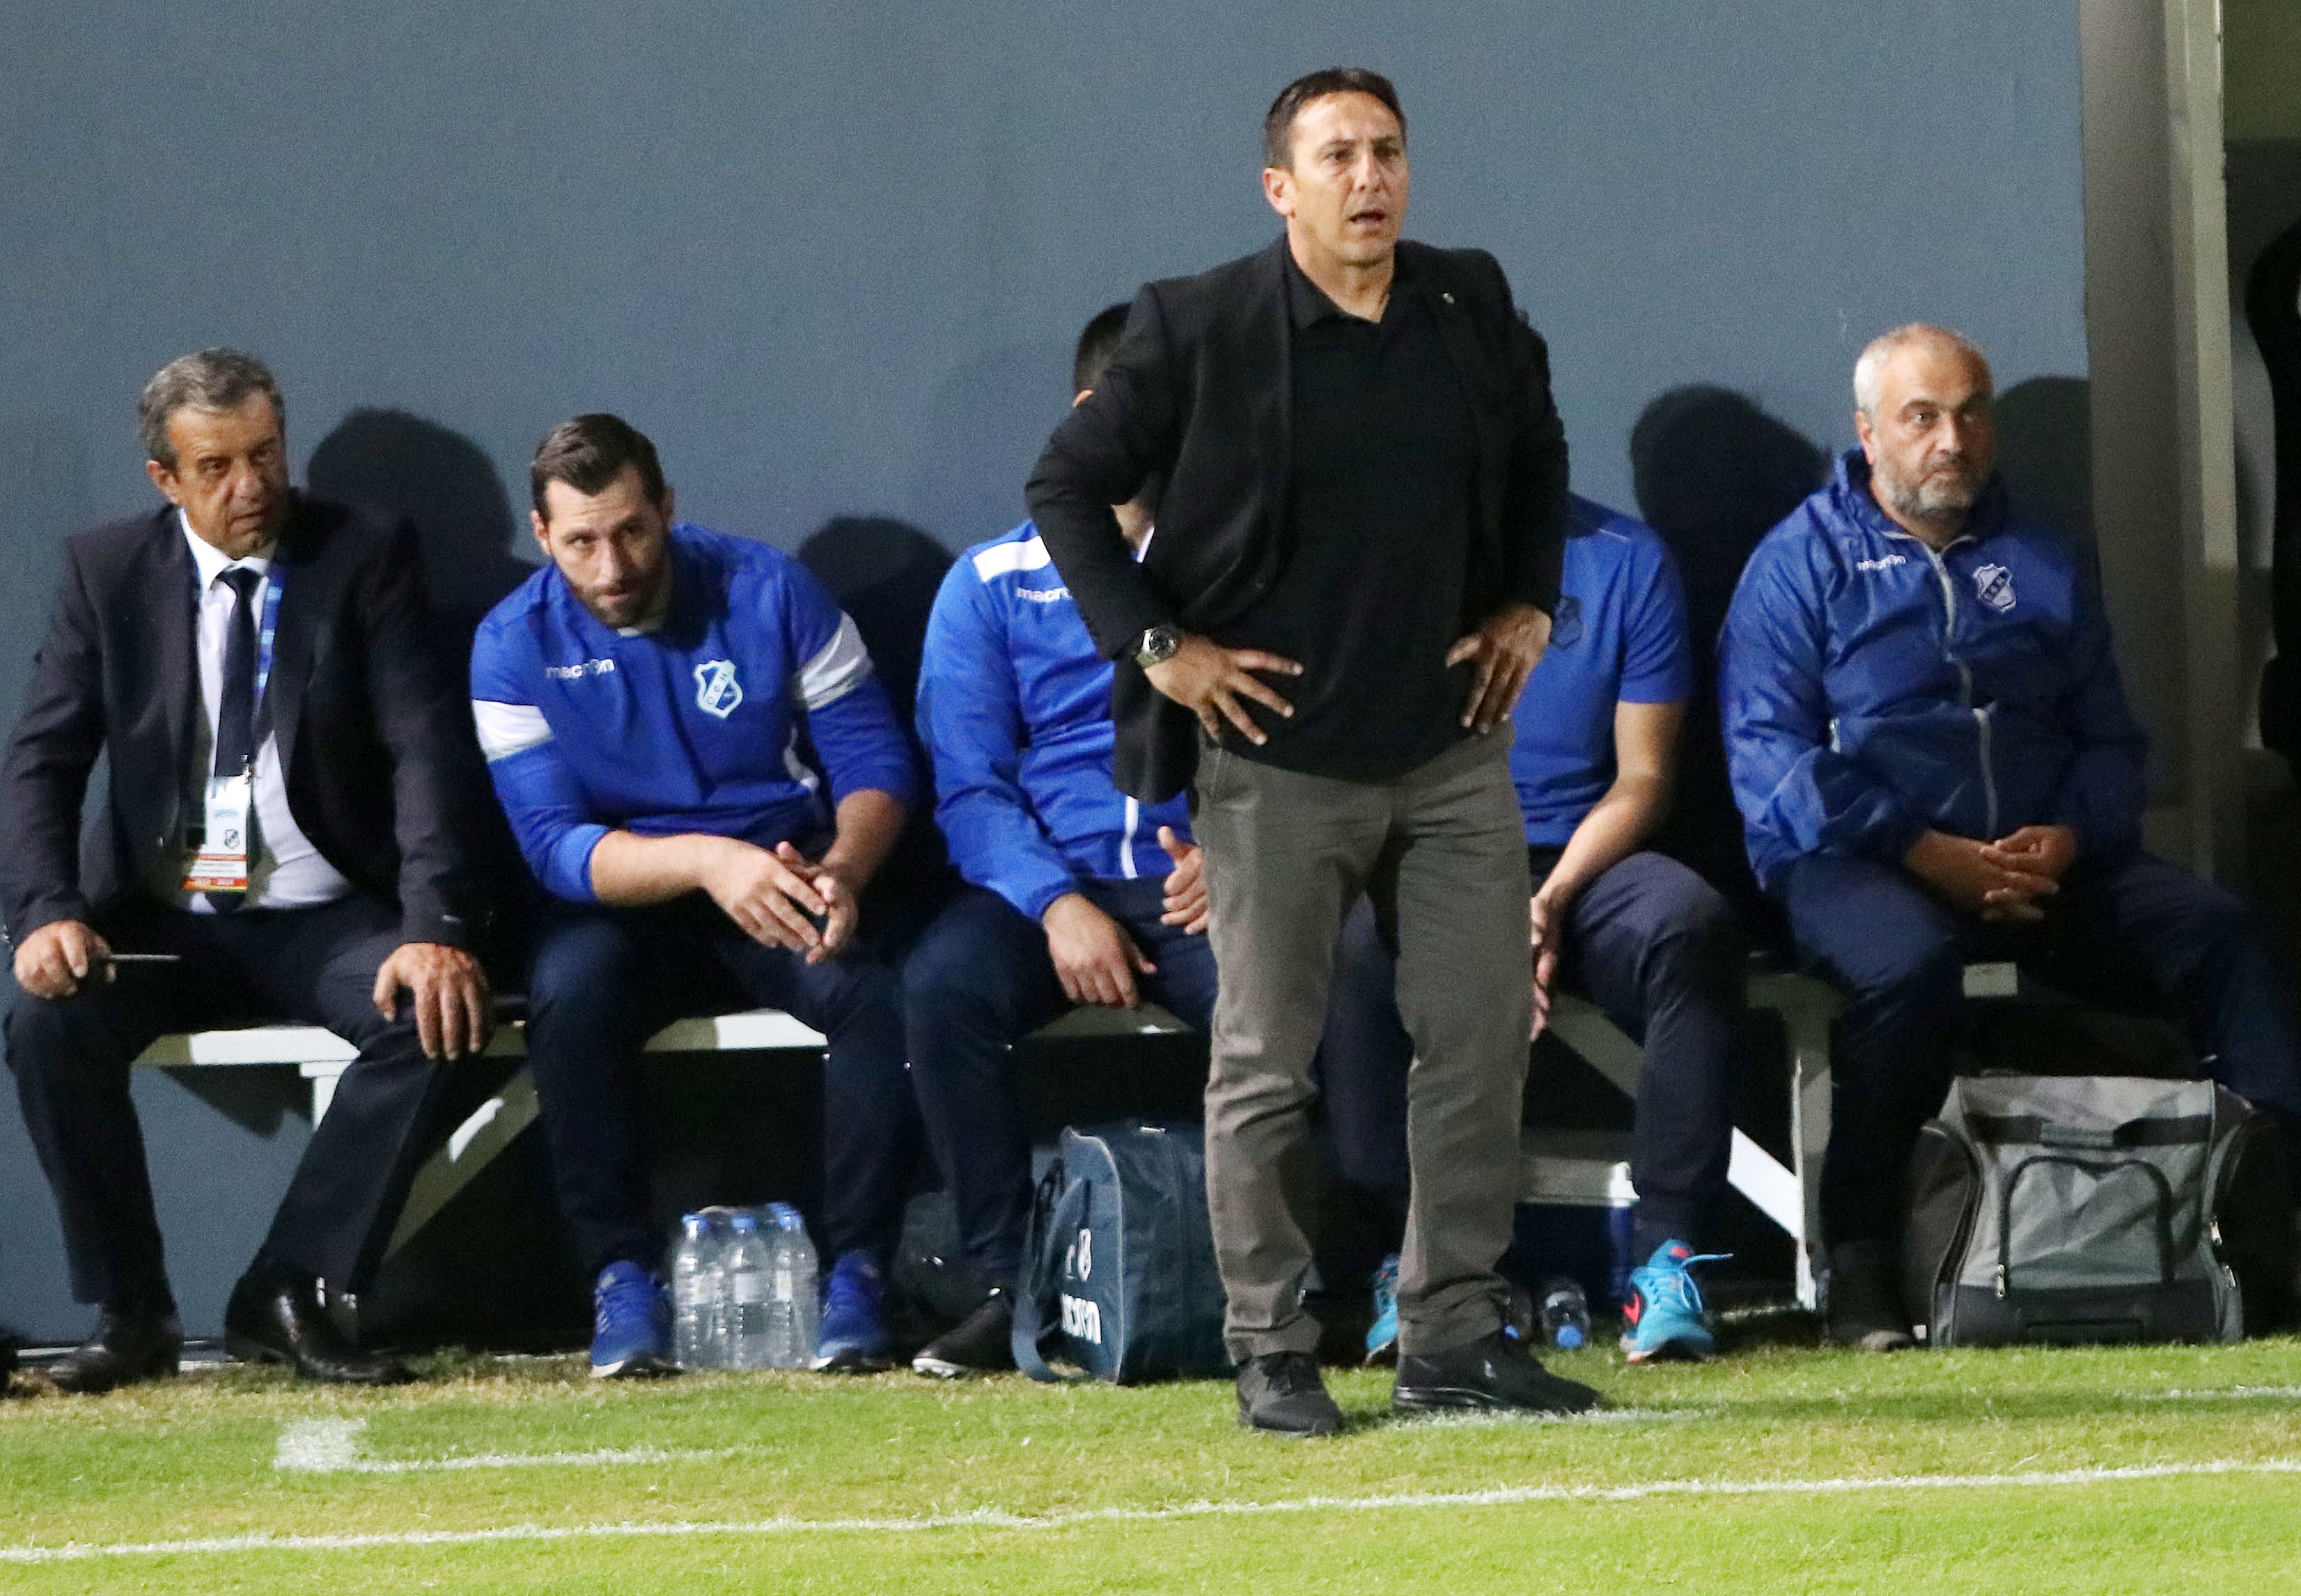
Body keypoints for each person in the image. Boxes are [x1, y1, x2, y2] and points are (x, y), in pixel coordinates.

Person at [1027, 66, 1599, 1434]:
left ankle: (1450, 1337)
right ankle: (1272, 1352)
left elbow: (1537, 452)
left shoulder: (1464, 300)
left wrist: (1529, 601)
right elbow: (1064, 484)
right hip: (1274, 762)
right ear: (1278, 186)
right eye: (1336, 156)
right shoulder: (1196, 325)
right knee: (1265, 1063)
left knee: (1478, 1040)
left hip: (1449, 753)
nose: (1368, 178)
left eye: (1385, 151)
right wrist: (1159, 647)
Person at [1720, 324, 2301, 1349]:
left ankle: (2267, 1232)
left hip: (2041, 864)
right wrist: (1921, 850)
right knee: (1908, 970)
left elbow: (2112, 739)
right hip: (1862, 863)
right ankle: (1860, 1260)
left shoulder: (2043, 554)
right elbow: (1773, 759)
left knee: (2215, 933)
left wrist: (2070, 835)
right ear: (1868, 433)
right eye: (1922, 417)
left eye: (1971, 412)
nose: (1953, 439)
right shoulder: (1799, 563)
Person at [1, 348, 495, 1391]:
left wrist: (432, 928)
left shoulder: (362, 555)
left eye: (266, 454)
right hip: (165, 917)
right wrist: (45, 911)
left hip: (325, 912)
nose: (252, 486)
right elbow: (43, 760)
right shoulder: (106, 571)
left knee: (431, 1015)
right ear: (165, 479)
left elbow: (424, 749)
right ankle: (133, 1313)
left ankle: (285, 1286)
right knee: (48, 1023)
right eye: (217, 467)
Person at [469, 414, 920, 1377]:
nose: (612, 566)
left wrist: (844, 870)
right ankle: (621, 1278)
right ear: (542, 536)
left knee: (870, 992)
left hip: (784, 872)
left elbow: (876, 763)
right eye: (581, 542)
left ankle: (858, 1274)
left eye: (632, 531)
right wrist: (710, 862)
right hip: (628, 898)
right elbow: (555, 848)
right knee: (569, 993)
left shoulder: (771, 589)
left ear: (668, 508)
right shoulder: (509, 645)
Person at [1322, 495, 1745, 1365]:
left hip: (1583, 863)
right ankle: (1405, 1269)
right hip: (1431, 859)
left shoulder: (1626, 558)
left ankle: (1665, 1261)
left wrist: (1546, 902)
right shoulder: (1380, 547)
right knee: (1353, 944)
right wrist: (1474, 912)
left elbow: (1643, 778)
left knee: (1688, 922)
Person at [904, 304, 1217, 1379]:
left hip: (1201, 884)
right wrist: (1055, 901)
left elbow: (1299, 735)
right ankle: (1006, 1289)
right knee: (943, 988)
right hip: (1052, 889)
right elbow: (969, 786)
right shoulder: (987, 586)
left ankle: (1290, 1282)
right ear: (1095, 415)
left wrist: (1238, 857)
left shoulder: (1242, 568)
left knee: (1303, 991)